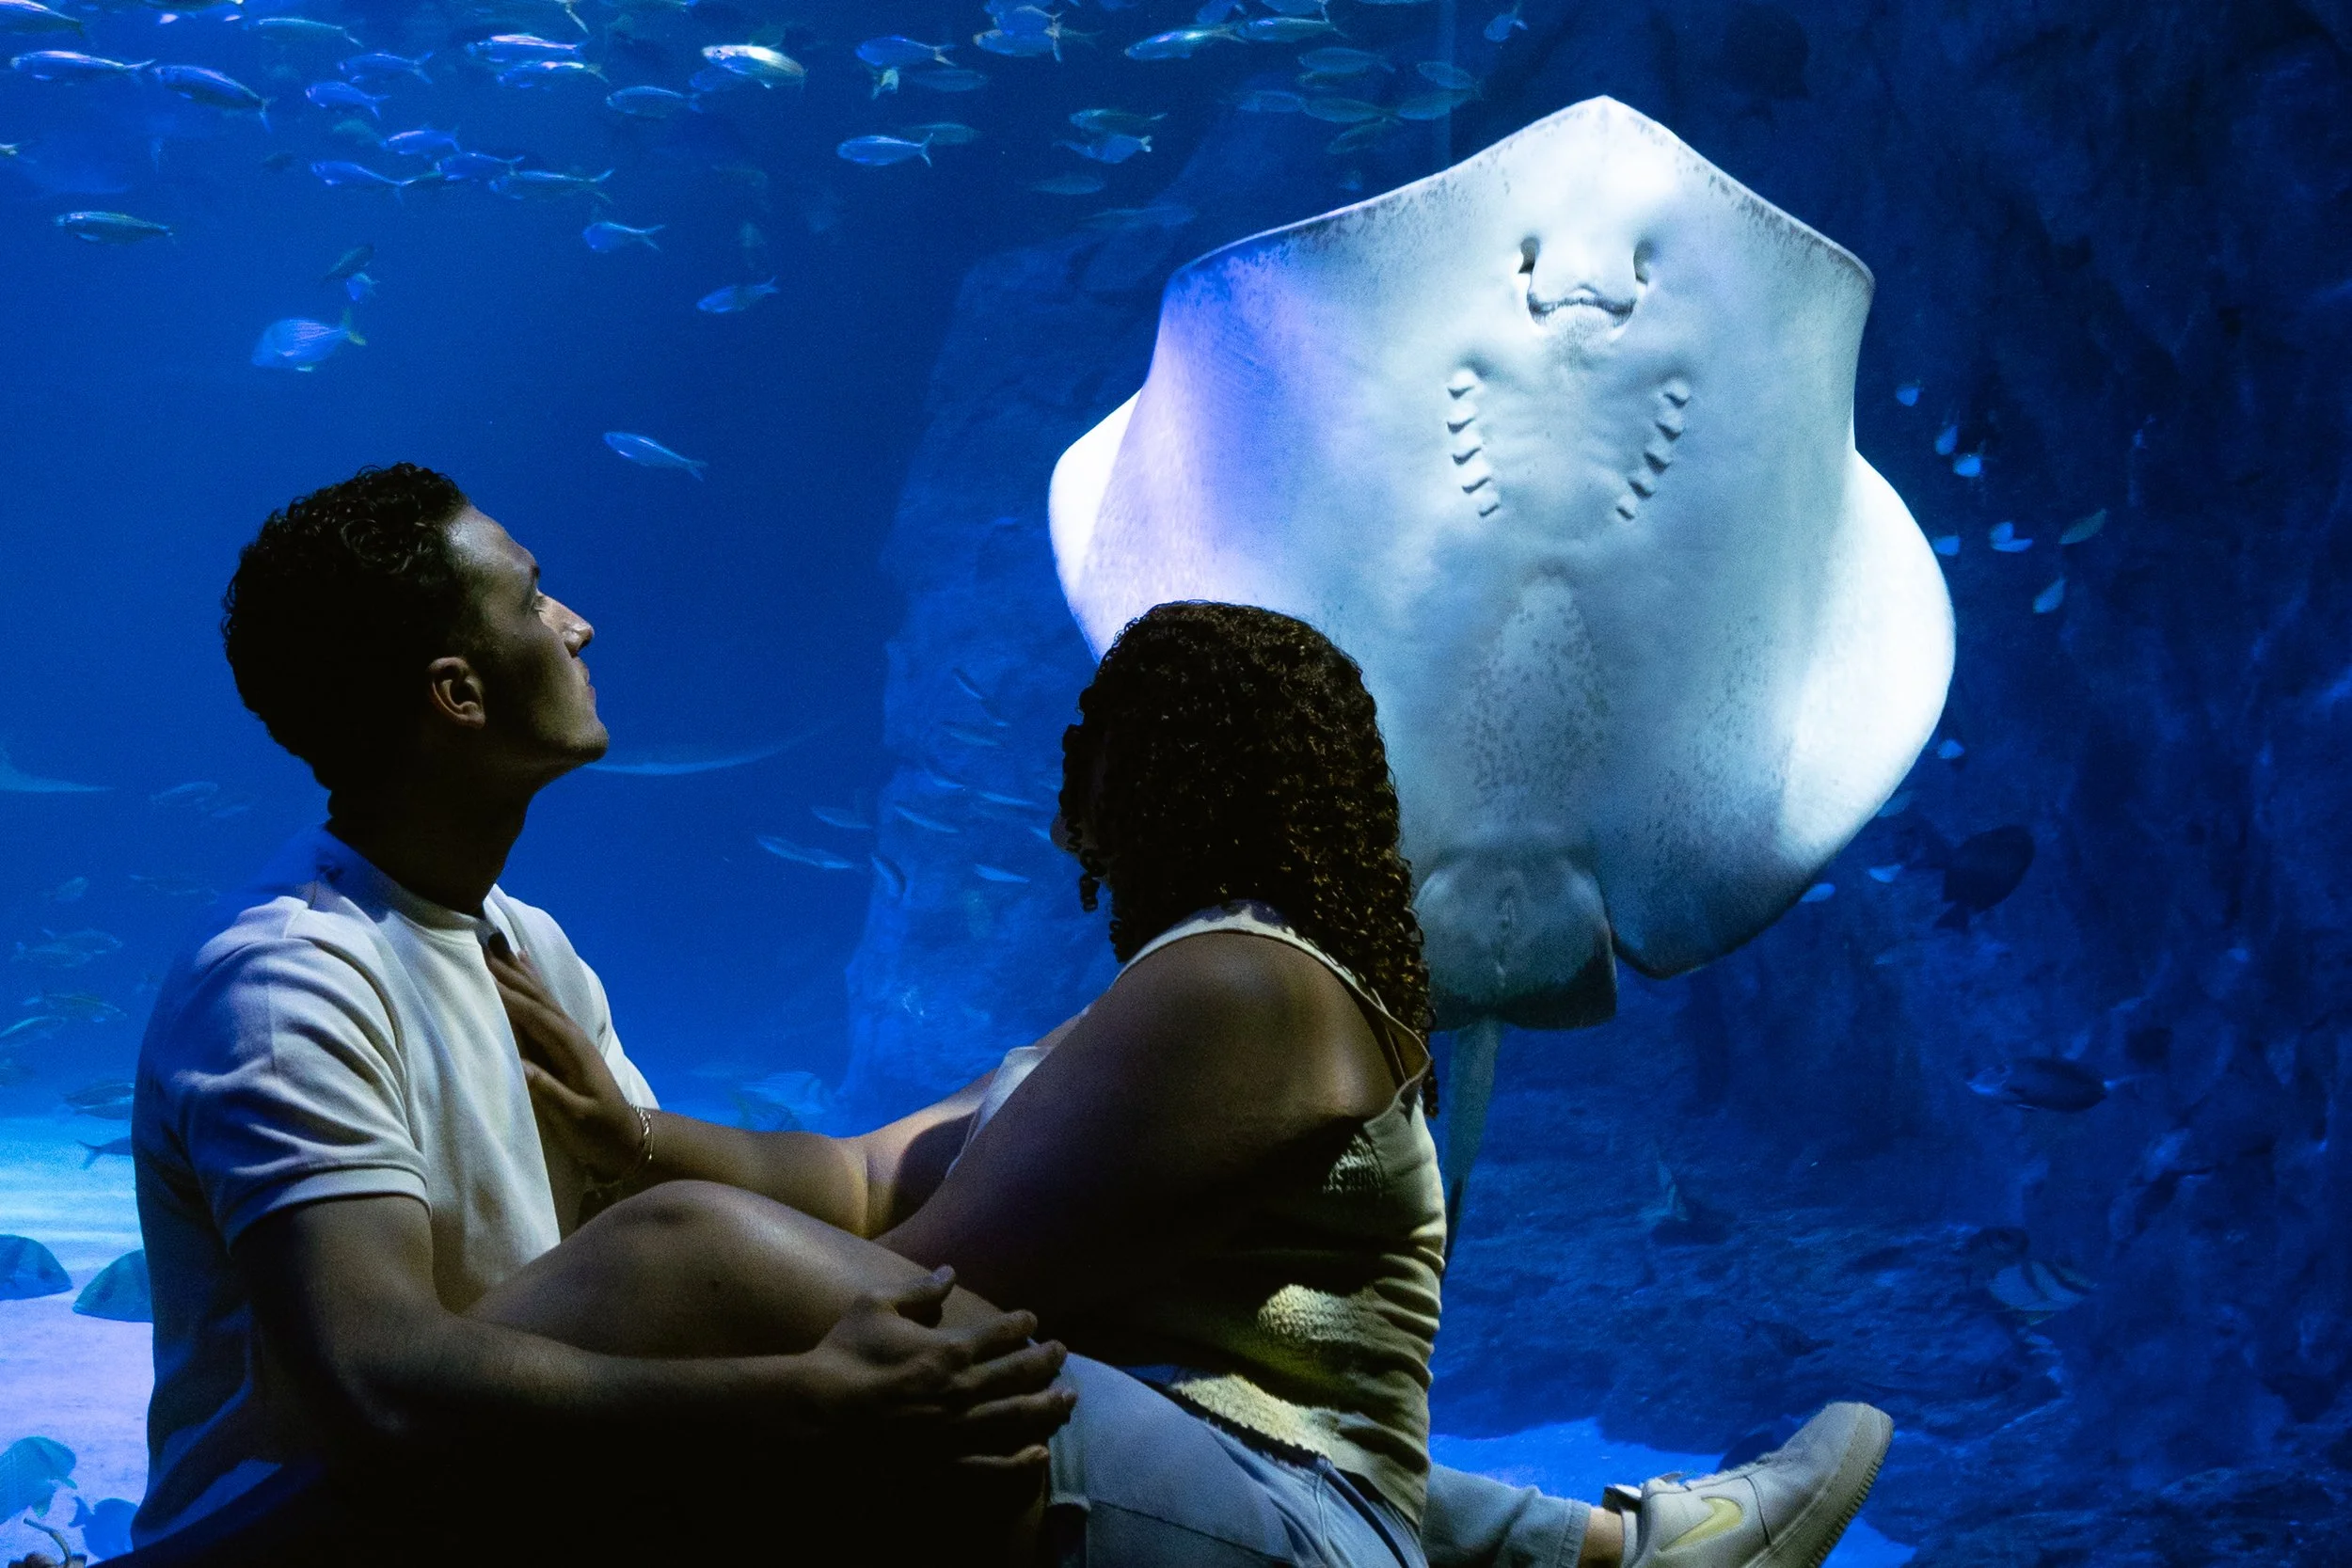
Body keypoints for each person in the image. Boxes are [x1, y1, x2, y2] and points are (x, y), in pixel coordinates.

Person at [498, 596, 1895, 1568]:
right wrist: (629, 1128)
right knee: (702, 1248)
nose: (1067, 769)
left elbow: (931, 1282)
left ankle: (375, 1422)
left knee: (689, 1261)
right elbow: (864, 1175)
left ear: (1181, 769)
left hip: (1289, 1521)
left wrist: (665, 1267)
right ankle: (1604, 1548)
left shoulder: (1242, 988)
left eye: (1102, 727)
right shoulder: (1164, 995)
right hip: (1236, 1488)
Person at [133, 466, 1073, 1562]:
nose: (578, 624)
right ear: (458, 693)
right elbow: (374, 1380)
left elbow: (613, 1284)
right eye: (532, 599)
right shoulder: (284, 982)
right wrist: (789, 1399)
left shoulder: (531, 947)